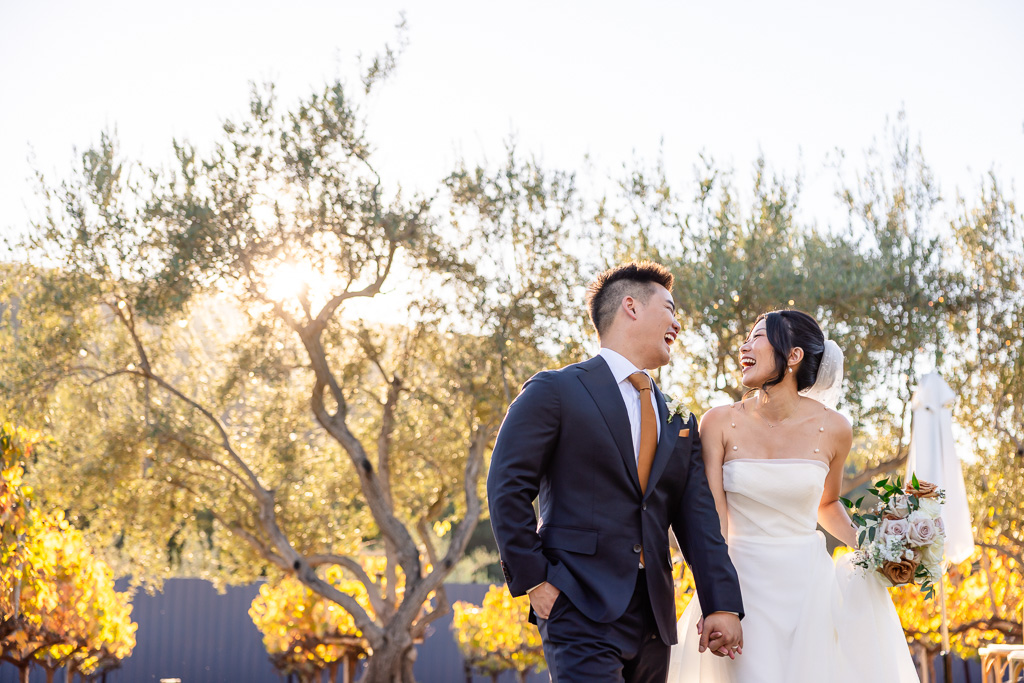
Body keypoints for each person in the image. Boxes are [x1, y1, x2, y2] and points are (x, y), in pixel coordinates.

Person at [487, 261, 744, 683]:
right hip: (577, 602)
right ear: (631, 307)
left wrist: (721, 604)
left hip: (654, 617)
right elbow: (506, 487)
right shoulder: (556, 391)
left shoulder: (679, 421)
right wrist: (535, 582)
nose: (677, 324)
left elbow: (698, 521)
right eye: (670, 308)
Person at [668, 310, 920, 683]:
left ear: (794, 356)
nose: (744, 345)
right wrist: (715, 598)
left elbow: (827, 503)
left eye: (757, 337)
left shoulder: (835, 428)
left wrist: (877, 550)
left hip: (810, 592)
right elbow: (713, 519)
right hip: (740, 586)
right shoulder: (717, 422)